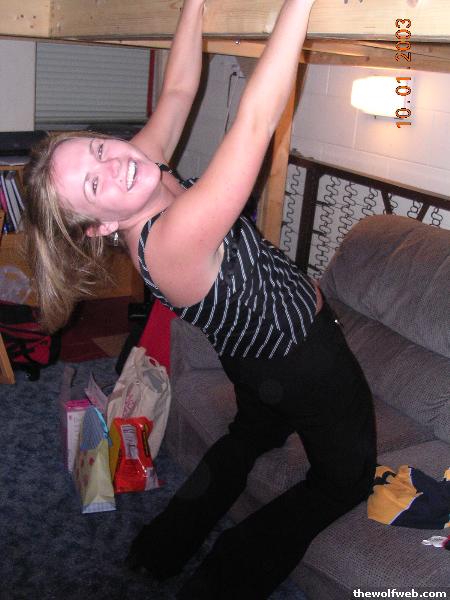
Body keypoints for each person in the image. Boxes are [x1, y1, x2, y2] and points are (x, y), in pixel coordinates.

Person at [24, 0, 377, 597]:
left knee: (251, 434)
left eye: (98, 149)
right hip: (303, 359)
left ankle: (163, 546)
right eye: (93, 182)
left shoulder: (138, 170)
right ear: (100, 227)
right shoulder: (169, 242)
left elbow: (180, 88)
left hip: (255, 358)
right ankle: (225, 579)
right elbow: (256, 121)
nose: (115, 164)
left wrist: (194, 4)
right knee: (345, 480)